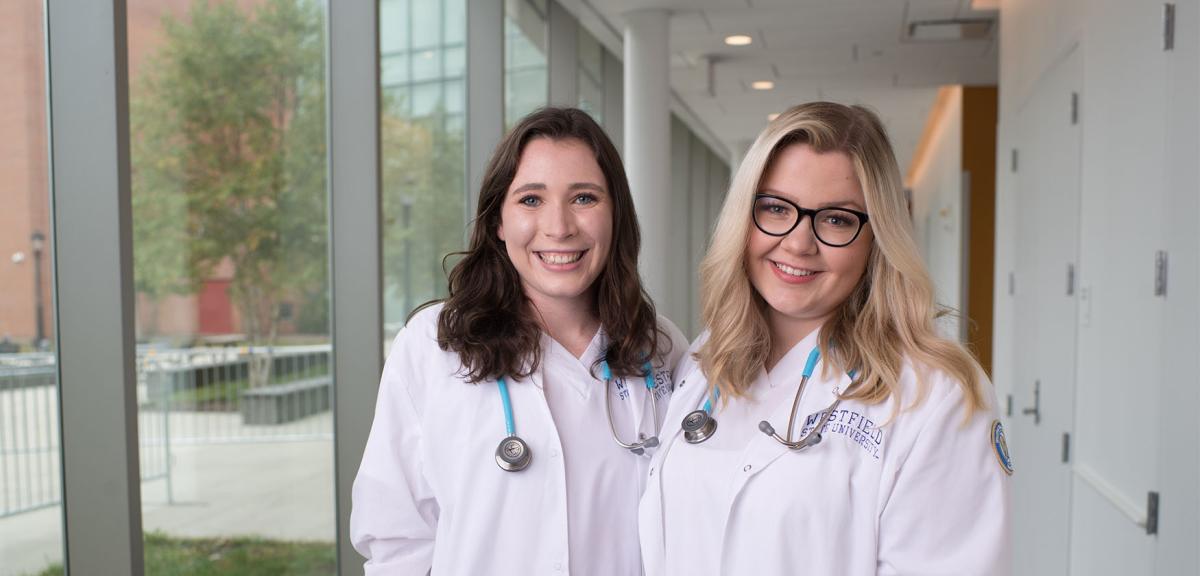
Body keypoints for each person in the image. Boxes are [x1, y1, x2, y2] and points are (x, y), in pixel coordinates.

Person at [638, 102, 1010, 576]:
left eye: (836, 219)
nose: (798, 243)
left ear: (878, 236)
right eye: (775, 208)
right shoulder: (709, 357)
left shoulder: (936, 397)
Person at [351, 107, 687, 576]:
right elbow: (397, 540)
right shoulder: (433, 346)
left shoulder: (661, 348)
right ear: (498, 223)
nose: (559, 227)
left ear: (617, 217)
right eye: (531, 200)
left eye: (585, 198)